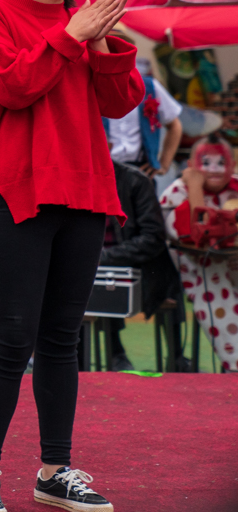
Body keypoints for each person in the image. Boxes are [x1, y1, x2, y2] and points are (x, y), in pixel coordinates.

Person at [0, 0, 143, 512]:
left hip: (86, 189)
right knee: (12, 340)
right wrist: (72, 36)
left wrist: (107, 41)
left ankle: (54, 470)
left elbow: (118, 105)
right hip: (19, 192)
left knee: (63, 338)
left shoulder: (80, 17)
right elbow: (11, 86)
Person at [158, 134, 238, 372]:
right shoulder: (175, 193)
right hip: (200, 270)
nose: (214, 170)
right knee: (216, 288)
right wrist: (194, 187)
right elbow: (197, 238)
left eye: (221, 163)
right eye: (206, 162)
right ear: (191, 166)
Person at [100, 159, 182, 372]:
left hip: (140, 270)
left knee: (106, 282)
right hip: (94, 269)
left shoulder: (134, 180)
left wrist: (103, 257)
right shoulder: (69, 180)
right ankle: (97, 358)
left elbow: (152, 237)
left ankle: (176, 357)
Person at [103, 34, 182, 189]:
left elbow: (174, 125)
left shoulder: (148, 86)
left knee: (144, 212)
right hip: (104, 171)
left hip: (140, 169)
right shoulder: (90, 86)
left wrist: (163, 163)